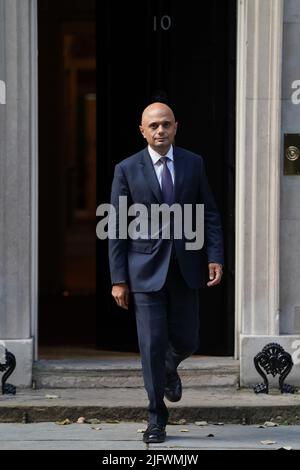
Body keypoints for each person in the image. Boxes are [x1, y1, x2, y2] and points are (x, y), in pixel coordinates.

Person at [109, 102, 224, 443]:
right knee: (152, 345)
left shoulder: (193, 163)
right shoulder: (126, 169)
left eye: (166, 124)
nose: (160, 131)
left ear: (176, 127)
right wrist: (118, 279)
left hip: (186, 269)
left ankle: (169, 369)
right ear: (142, 131)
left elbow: (209, 214)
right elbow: (116, 226)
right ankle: (156, 416)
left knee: (189, 339)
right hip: (143, 271)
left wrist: (214, 256)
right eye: (154, 126)